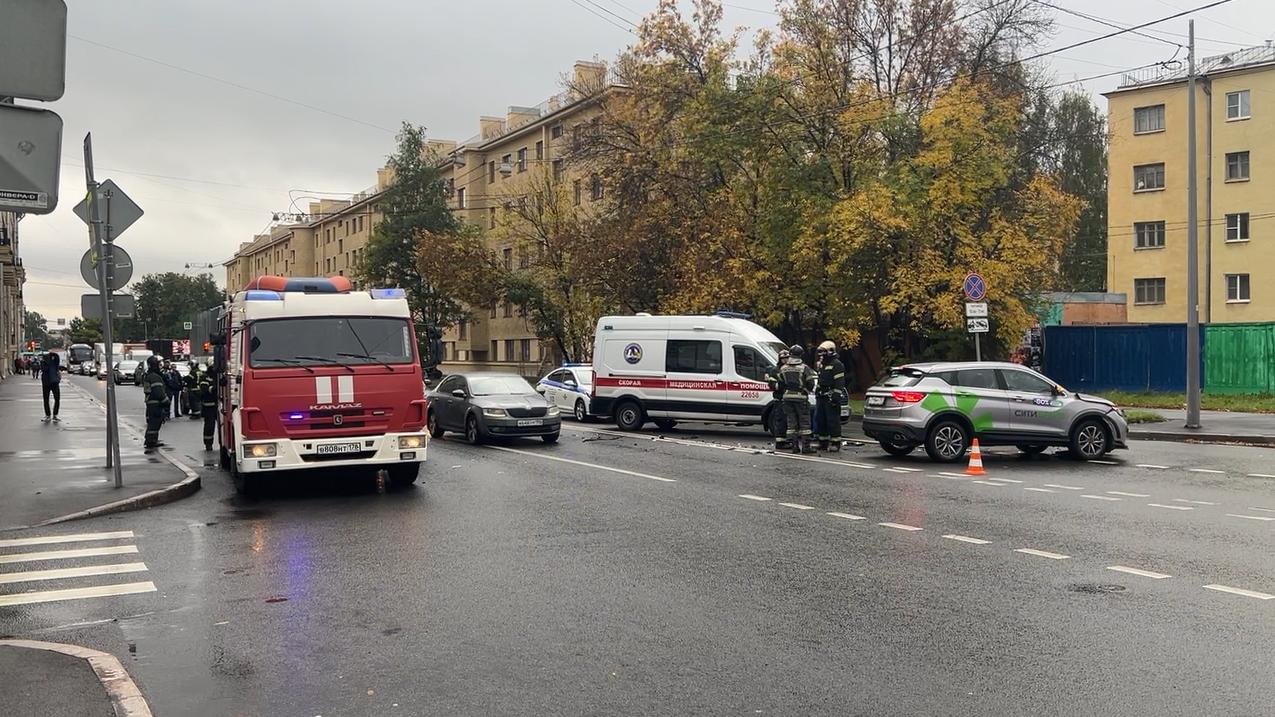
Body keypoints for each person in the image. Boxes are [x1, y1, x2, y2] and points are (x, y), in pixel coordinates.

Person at [778, 344, 818, 455]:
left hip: (787, 398)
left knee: (791, 423)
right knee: (804, 423)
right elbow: (810, 383)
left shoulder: (783, 368)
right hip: (800, 397)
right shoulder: (804, 368)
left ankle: (794, 446)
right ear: (801, 355)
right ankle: (806, 447)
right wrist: (806, 389)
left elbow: (780, 383)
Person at [814, 340, 848, 452]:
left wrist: (836, 397)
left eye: (823, 352)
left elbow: (840, 383)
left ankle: (835, 443)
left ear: (830, 351)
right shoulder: (823, 365)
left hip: (830, 397)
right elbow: (821, 380)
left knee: (832, 420)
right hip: (821, 396)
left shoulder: (837, 364)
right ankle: (823, 442)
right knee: (820, 420)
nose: (821, 355)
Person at [763, 349, 791, 451]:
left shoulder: (790, 369)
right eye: (783, 358)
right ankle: (780, 442)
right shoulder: (775, 370)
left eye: (787, 358)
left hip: (789, 399)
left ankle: (788, 440)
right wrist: (781, 385)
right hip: (780, 399)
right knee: (781, 421)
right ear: (780, 359)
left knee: (790, 421)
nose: (785, 360)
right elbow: (772, 384)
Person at [141, 356, 168, 452]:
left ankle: (152, 440)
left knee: (154, 423)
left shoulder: (149, 375)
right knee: (154, 423)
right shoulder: (154, 377)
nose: (159, 366)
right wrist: (165, 401)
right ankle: (150, 441)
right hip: (156, 404)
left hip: (151, 403)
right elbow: (158, 391)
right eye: (158, 363)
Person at [197, 365, 218, 450]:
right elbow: (204, 389)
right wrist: (214, 388)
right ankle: (208, 444)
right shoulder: (204, 377)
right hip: (209, 406)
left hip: (218, 405)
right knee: (209, 426)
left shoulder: (217, 376)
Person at [40, 351, 61, 423]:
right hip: (46, 383)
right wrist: (47, 361)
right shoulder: (43, 362)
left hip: (54, 382)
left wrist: (51, 353)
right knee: (46, 399)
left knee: (57, 398)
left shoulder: (54, 362)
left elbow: (57, 356)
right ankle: (48, 415)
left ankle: (55, 414)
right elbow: (44, 369)